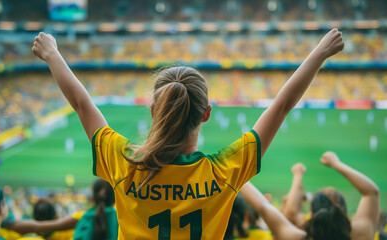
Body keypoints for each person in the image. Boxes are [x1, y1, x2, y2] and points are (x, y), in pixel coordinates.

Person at [32, 28, 344, 239]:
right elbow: (281, 106)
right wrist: (318, 53)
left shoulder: (125, 163)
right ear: (206, 113)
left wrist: (52, 55)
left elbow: (81, 104)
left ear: (154, 110)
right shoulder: (223, 171)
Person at [241, 151, 380, 240]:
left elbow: (264, 207)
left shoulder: (296, 237)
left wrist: (236, 174)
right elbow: (372, 192)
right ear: (342, 212)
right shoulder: (361, 234)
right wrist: (336, 164)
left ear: (312, 214)